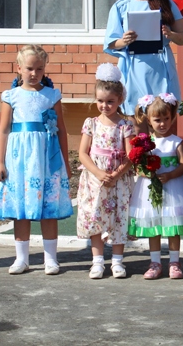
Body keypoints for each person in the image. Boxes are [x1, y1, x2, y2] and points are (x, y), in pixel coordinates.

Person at [0, 45, 73, 275]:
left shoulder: (52, 95)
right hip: (19, 159)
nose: (34, 73)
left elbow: (61, 129)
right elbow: (3, 130)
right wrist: (0, 162)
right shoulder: (10, 96)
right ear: (19, 67)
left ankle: (50, 259)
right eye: (29, 68)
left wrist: (65, 162)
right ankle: (21, 258)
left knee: (48, 207)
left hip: (46, 157)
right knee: (20, 207)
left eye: (39, 69)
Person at [104, 0, 183, 115]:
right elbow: (111, 43)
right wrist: (124, 40)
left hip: (161, 69)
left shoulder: (167, 4)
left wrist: (171, 35)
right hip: (133, 69)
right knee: (137, 123)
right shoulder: (120, 6)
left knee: (162, 119)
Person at [76, 63, 135, 279]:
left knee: (119, 217)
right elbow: (83, 153)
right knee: (96, 217)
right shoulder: (90, 123)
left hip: (118, 179)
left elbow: (131, 154)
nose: (105, 106)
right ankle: (98, 262)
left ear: (120, 100)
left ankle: (118, 262)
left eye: (110, 102)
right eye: (100, 101)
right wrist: (99, 174)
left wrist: (117, 174)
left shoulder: (125, 125)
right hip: (95, 179)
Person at [128, 94, 183, 280]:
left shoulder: (176, 141)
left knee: (172, 226)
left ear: (172, 117)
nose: (162, 124)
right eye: (157, 120)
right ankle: (155, 263)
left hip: (174, 188)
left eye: (166, 119)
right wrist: (145, 172)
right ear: (148, 120)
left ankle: (174, 263)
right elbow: (139, 165)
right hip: (151, 190)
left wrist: (171, 174)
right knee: (154, 225)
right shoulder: (145, 143)